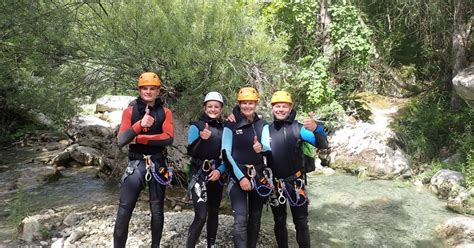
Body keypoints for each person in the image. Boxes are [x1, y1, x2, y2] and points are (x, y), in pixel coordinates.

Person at [113, 72, 175, 248]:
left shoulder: (165, 112)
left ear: (158, 91)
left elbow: (168, 138)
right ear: (139, 90)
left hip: (158, 162)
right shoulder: (130, 111)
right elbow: (122, 139)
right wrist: (139, 125)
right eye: (145, 88)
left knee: (157, 209)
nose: (148, 91)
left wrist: (140, 137)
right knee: (124, 210)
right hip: (136, 163)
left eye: (152, 88)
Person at [267, 90, 328, 248]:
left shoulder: (299, 128)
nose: (281, 109)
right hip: (275, 184)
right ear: (272, 108)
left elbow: (322, 144)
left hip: (296, 183)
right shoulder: (267, 129)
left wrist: (316, 129)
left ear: (290, 107)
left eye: (284, 106)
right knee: (279, 222)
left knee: (301, 222)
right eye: (277, 106)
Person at [221, 87, 271, 248]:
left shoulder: (262, 124)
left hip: (258, 174)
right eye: (244, 103)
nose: (247, 106)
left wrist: (260, 147)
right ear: (239, 104)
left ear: (256, 104)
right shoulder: (230, 124)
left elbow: (267, 147)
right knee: (241, 218)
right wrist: (241, 177)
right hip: (238, 175)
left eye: (251, 103)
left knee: (255, 217)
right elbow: (225, 152)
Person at [186, 91, 227, 248]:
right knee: (201, 215)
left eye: (216, 107)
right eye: (210, 106)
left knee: (214, 212)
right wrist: (201, 140)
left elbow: (227, 154)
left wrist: (221, 170)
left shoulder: (224, 129)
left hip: (216, 173)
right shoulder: (196, 126)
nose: (213, 109)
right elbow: (191, 151)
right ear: (204, 107)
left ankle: (211, 245)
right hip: (199, 173)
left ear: (221, 109)